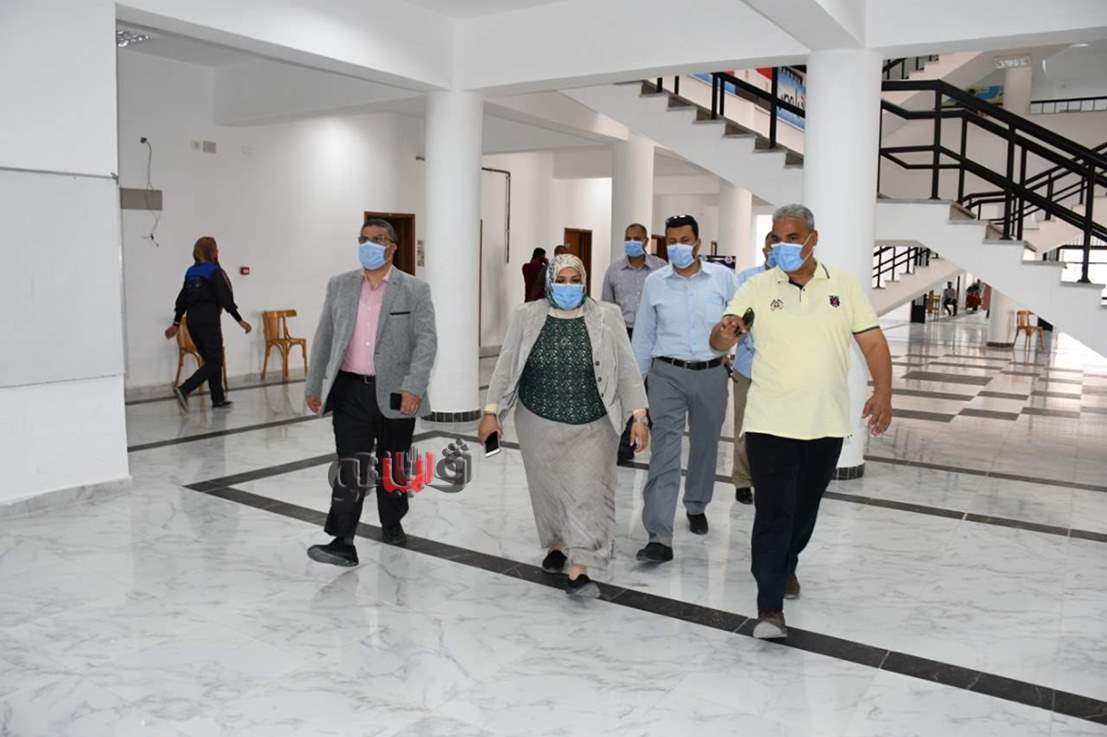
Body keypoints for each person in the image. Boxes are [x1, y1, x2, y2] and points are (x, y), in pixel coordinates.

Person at [711, 204, 893, 640]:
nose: (783, 246)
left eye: (792, 238)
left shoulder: (843, 285)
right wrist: (726, 332)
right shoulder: (756, 287)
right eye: (776, 239)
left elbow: (872, 342)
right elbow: (718, 339)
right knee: (773, 512)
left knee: (804, 511)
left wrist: (883, 392)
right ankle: (769, 606)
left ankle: (787, 563)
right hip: (769, 421)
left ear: (813, 238)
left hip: (825, 423)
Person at [479, 254, 649, 598]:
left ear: (584, 282)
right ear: (549, 282)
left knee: (589, 490)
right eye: (561, 280)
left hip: (593, 420)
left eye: (575, 280)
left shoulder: (607, 315)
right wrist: (491, 411)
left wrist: (639, 416)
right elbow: (507, 364)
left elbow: (628, 367)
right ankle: (556, 544)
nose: (568, 287)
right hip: (538, 418)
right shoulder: (526, 315)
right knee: (548, 489)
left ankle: (580, 566)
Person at [305, 218, 438, 565]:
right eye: (364, 238)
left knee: (394, 461)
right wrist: (314, 384)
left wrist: (414, 387)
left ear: (392, 247)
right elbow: (324, 337)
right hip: (350, 390)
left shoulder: (414, 289)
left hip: (396, 393)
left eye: (378, 239)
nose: (369, 245)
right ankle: (342, 540)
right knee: (351, 465)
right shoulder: (340, 285)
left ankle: (392, 519)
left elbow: (426, 342)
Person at [632, 214, 737, 563]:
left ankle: (696, 504)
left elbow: (740, 325)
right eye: (672, 241)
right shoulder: (655, 283)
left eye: (685, 240)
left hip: (711, 373)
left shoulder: (722, 279)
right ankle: (659, 534)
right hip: (667, 374)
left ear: (698, 243)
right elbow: (644, 336)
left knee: (705, 445)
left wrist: (735, 358)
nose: (678, 247)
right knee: (664, 450)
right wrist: (636, 390)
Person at [600, 223, 666, 465]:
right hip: (624, 334)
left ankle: (660, 446)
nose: (631, 242)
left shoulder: (660, 268)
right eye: (628, 238)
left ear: (646, 241)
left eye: (636, 238)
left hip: (654, 335)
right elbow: (607, 307)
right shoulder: (614, 271)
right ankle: (623, 446)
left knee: (654, 390)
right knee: (625, 389)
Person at [164, 236, 252, 411]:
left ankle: (217, 399)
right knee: (215, 361)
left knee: (211, 360)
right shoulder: (213, 271)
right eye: (216, 249)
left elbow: (182, 299)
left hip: (192, 322)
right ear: (213, 252)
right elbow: (225, 297)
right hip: (208, 322)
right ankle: (184, 389)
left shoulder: (191, 272)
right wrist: (240, 320)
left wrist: (176, 323)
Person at [730, 233, 776, 505]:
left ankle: (769, 480)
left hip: (780, 371)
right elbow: (733, 321)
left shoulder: (793, 283)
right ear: (764, 249)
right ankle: (743, 480)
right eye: (773, 246)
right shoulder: (746, 279)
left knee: (774, 430)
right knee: (744, 427)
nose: (777, 251)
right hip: (747, 367)